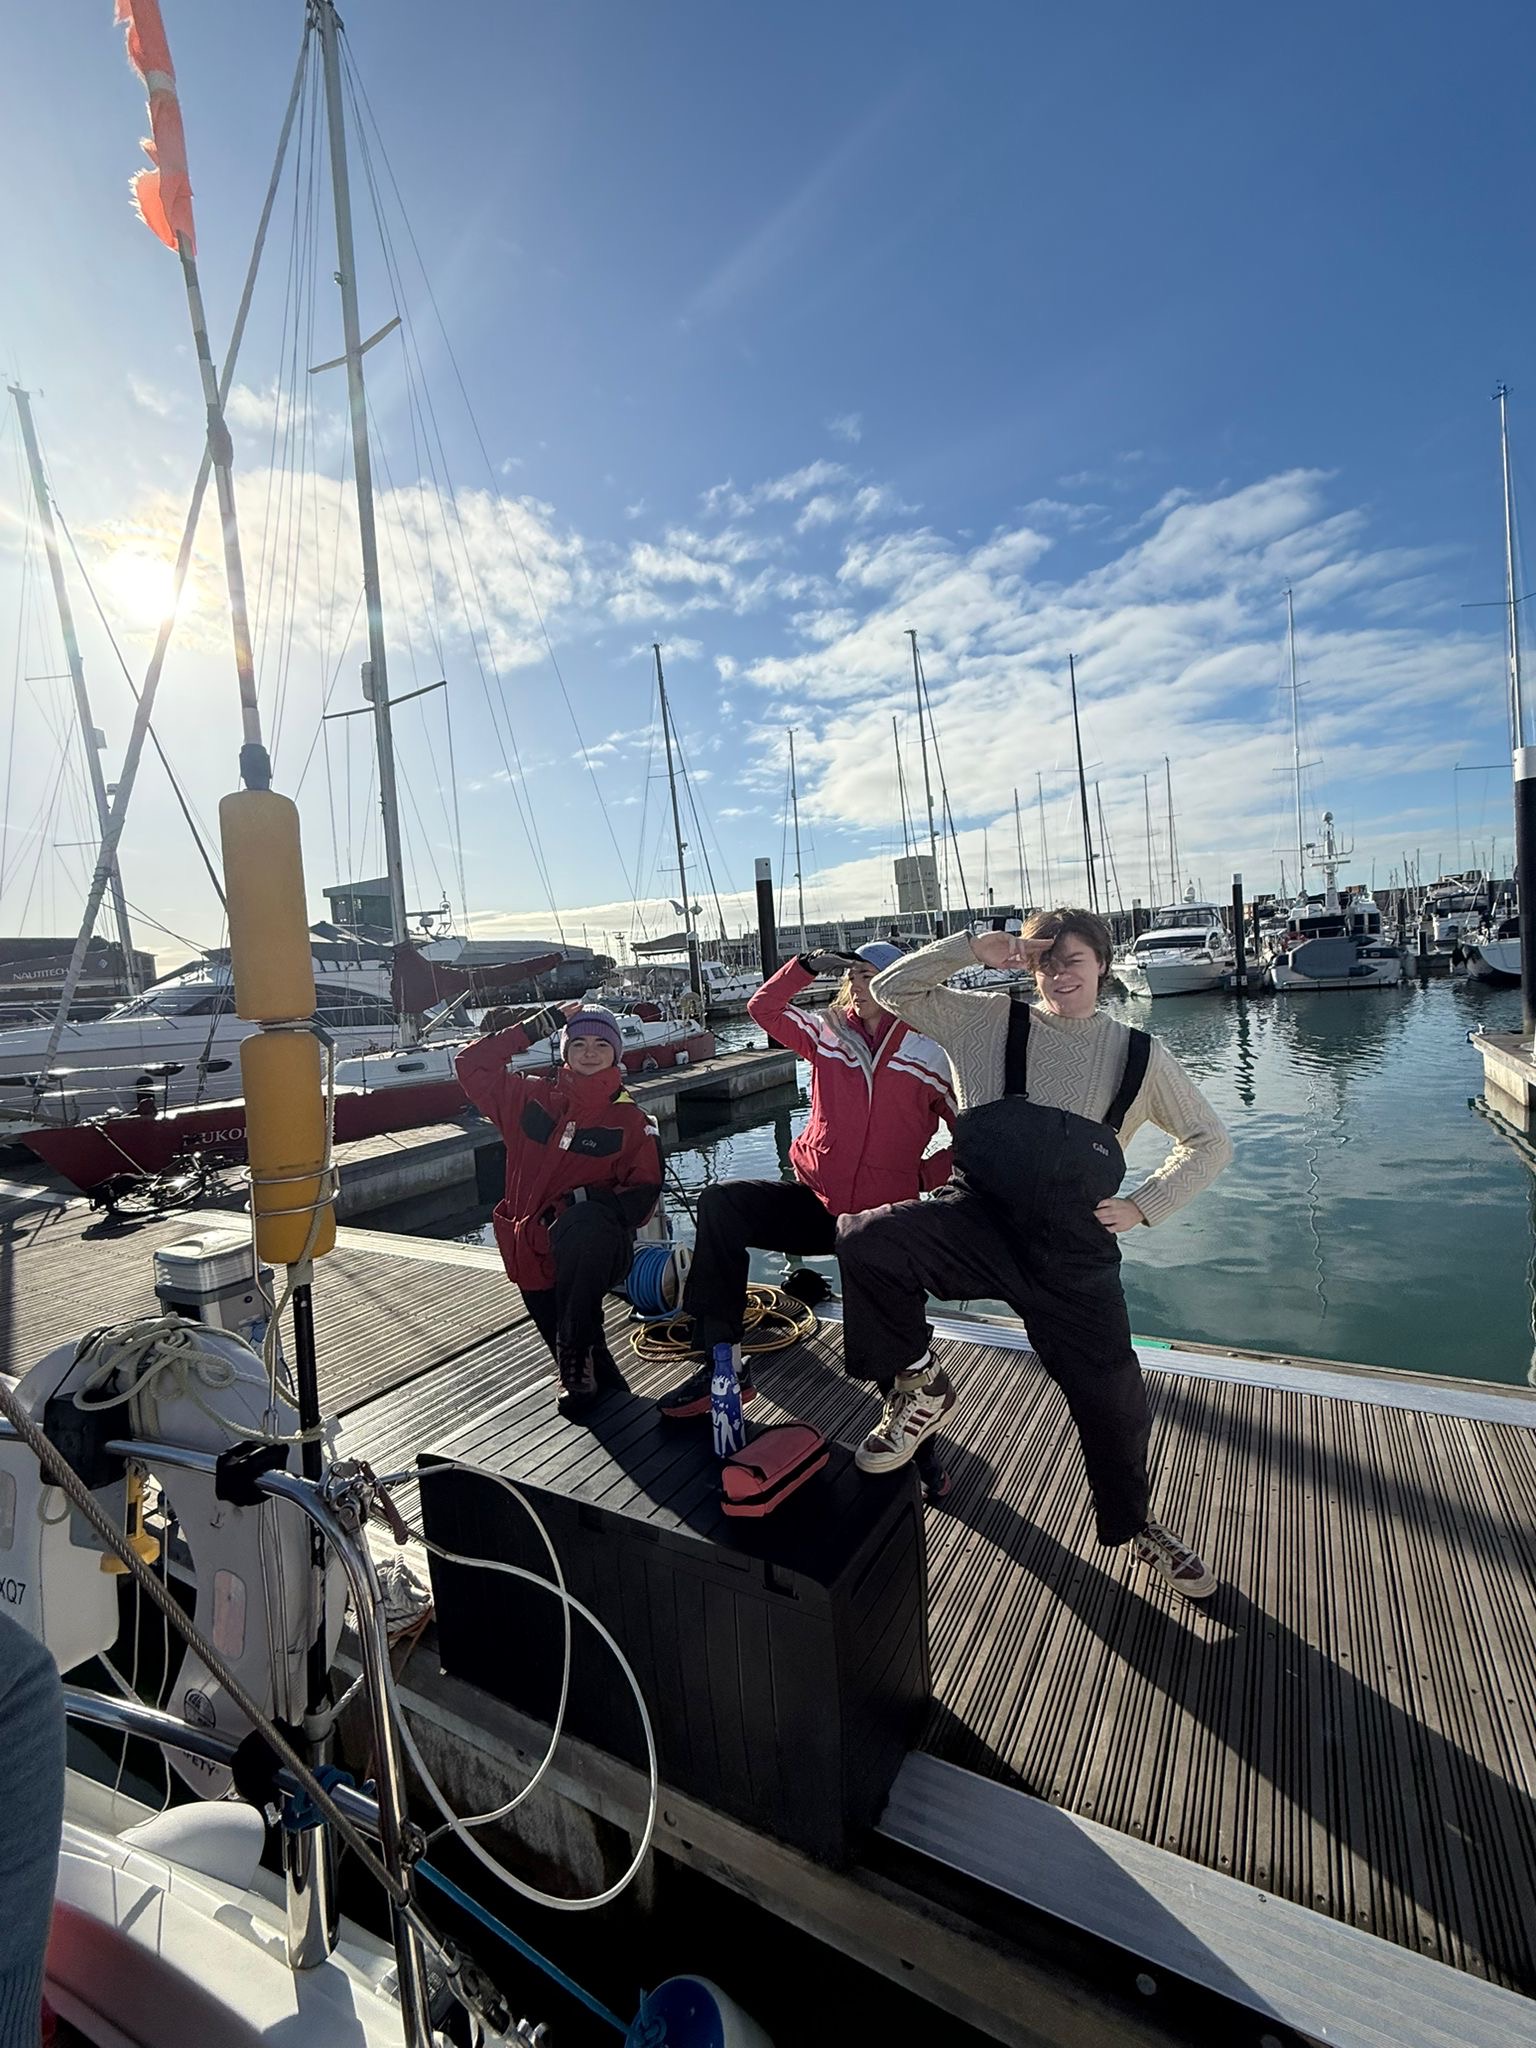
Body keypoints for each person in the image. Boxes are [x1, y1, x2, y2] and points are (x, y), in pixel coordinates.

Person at [836, 911, 1234, 1597]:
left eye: (1074, 958)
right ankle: (918, 1383)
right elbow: (895, 990)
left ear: (1104, 964)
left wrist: (1145, 1205)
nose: (1059, 973)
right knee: (866, 1241)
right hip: (978, 1222)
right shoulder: (984, 1019)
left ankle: (1136, 1526)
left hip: (1072, 1257)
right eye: (1045, 959)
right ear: (1027, 963)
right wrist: (970, 948)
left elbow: (1208, 1140)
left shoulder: (1140, 1055)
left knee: (1114, 1402)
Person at [657, 942, 957, 1494]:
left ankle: (922, 1449)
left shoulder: (933, 1051)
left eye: (885, 975)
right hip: (816, 1202)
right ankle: (723, 1359)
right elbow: (763, 1011)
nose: (871, 983)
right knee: (723, 1204)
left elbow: (970, 1140)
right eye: (862, 973)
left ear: (907, 983)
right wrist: (808, 966)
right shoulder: (826, 1032)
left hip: (884, 1217)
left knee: (898, 1330)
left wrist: (920, 1179)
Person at [456, 1001, 662, 1412]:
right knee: (584, 1368)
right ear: (564, 1050)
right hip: (528, 1250)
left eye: (602, 1044)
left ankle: (577, 1350)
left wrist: (577, 1205)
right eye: (580, 1042)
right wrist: (535, 1027)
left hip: (590, 1252)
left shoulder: (630, 1121)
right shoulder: (527, 1097)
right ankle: (628, 1422)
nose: (590, 1052)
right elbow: (471, 1065)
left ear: (616, 1054)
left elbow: (642, 1197)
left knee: (575, 1341)